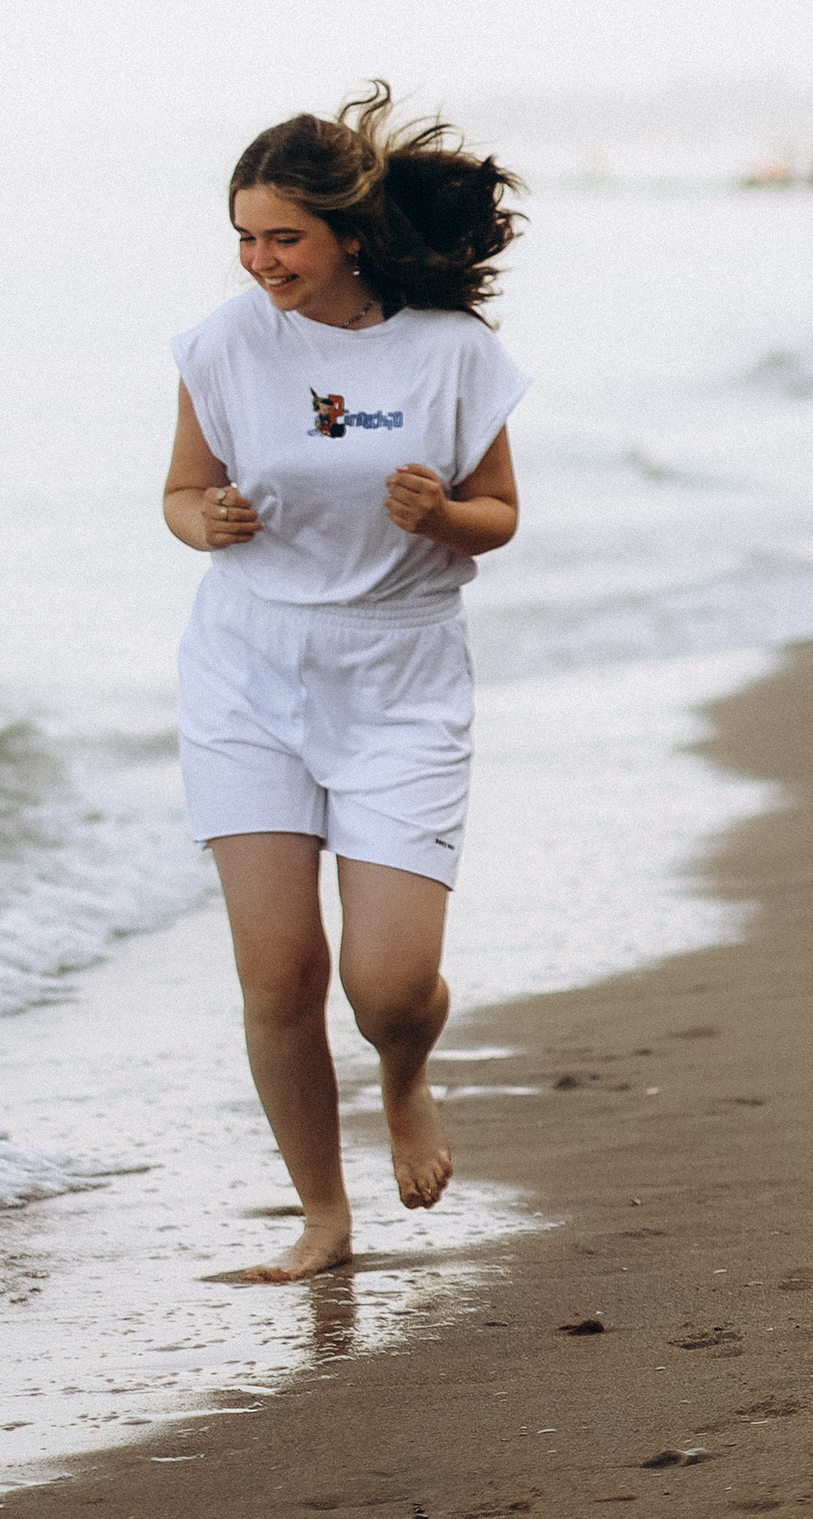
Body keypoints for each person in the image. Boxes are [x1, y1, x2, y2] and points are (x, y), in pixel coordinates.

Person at [164, 88, 527, 1283]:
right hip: (247, 668)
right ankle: (322, 1215)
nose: (260, 261)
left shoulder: (451, 353)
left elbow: (500, 519)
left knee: (383, 988)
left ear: (348, 238)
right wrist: (203, 520)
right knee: (276, 971)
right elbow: (179, 494)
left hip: (398, 674)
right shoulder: (222, 344)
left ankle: (406, 1075)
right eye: (245, 236)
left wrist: (444, 513)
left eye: (283, 238)